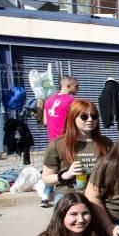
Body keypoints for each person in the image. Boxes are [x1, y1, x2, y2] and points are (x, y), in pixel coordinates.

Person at [41, 99, 112, 201]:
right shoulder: (58, 144)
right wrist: (66, 175)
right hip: (68, 196)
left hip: (99, 195)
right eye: (84, 117)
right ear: (72, 117)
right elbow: (46, 178)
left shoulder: (106, 143)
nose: (90, 119)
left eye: (94, 116)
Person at [40, 77, 78, 207]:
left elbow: (45, 121)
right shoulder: (71, 101)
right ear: (68, 85)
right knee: (67, 170)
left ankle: (45, 196)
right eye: (75, 86)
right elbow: (75, 120)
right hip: (67, 140)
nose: (77, 89)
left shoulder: (49, 101)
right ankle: (66, 198)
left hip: (52, 141)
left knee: (52, 170)